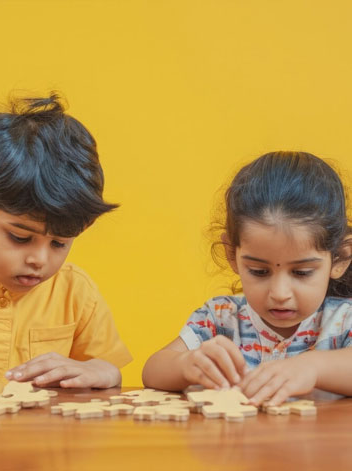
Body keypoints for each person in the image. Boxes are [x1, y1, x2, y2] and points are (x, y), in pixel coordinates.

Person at [0, 93, 132, 402]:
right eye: (20, 238)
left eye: (60, 242)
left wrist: (106, 373)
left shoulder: (77, 294)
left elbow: (106, 371)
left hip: (41, 448)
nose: (39, 260)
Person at [143, 151, 352, 406]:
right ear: (232, 254)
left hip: (317, 446)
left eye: (301, 272)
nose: (280, 292)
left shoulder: (343, 321)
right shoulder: (220, 318)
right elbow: (153, 370)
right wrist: (187, 365)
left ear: (340, 258)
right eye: (259, 271)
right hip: (239, 445)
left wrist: (313, 368)